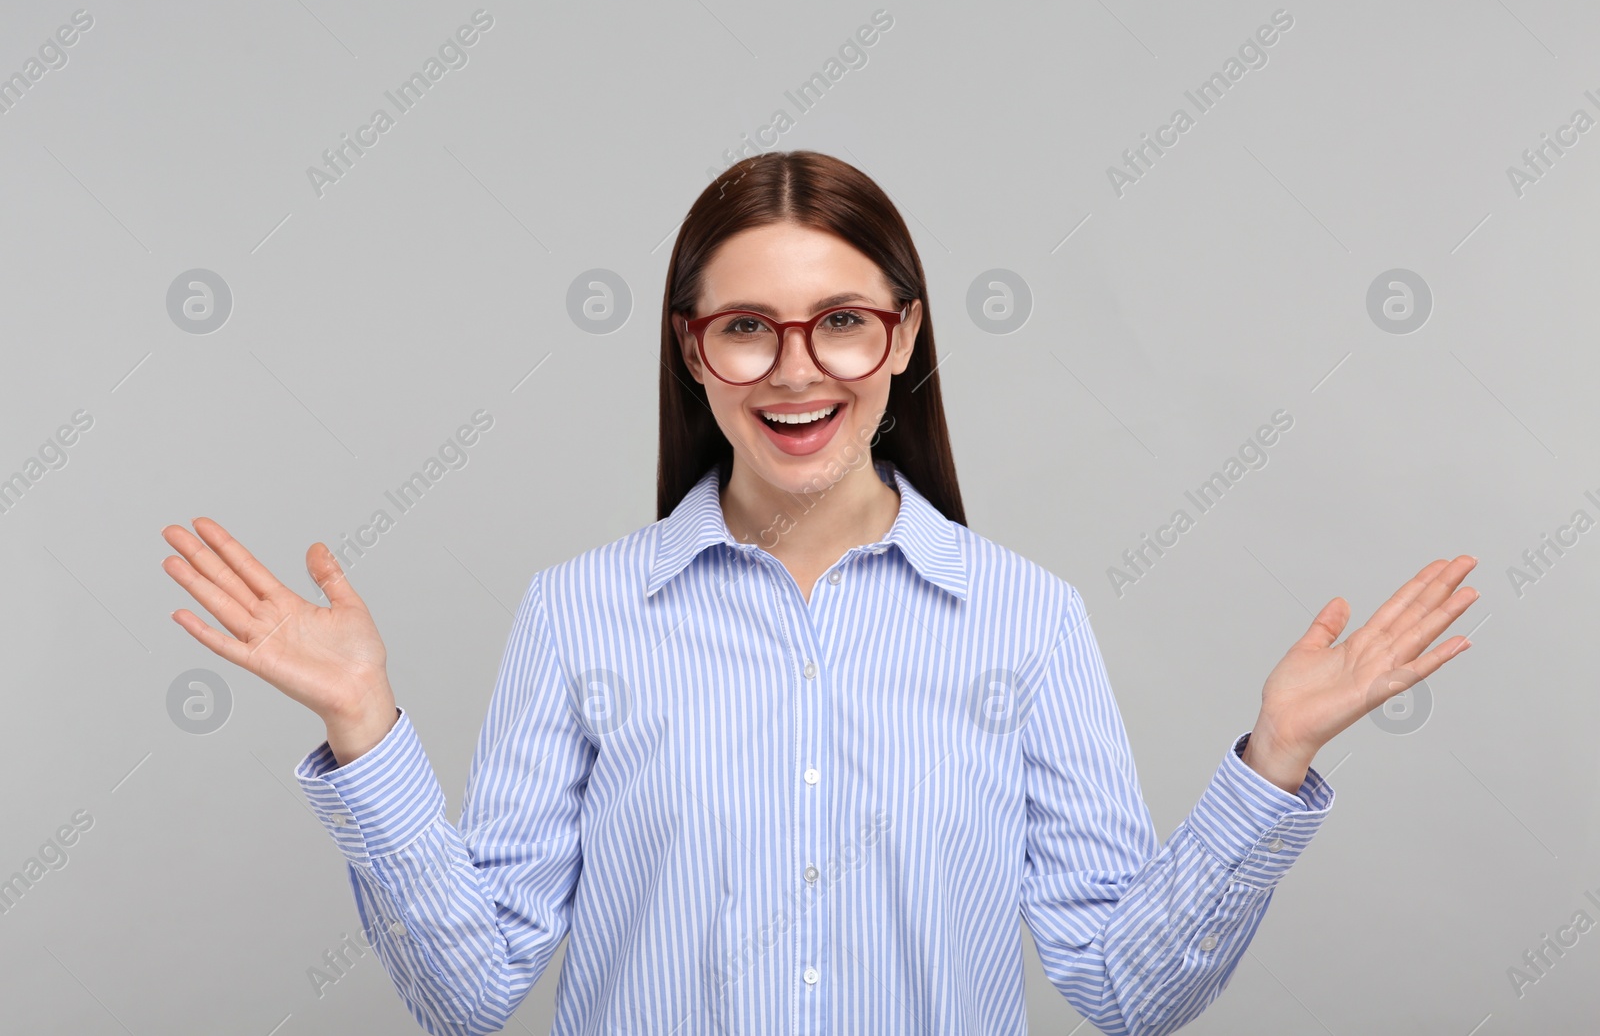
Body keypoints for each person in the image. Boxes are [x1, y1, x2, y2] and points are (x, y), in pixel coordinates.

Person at [159, 150, 1479, 1036]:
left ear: (901, 338)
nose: (799, 370)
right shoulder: (578, 616)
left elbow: (1127, 987)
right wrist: (366, 731)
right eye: (749, 326)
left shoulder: (1028, 620)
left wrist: (1274, 759)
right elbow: (469, 988)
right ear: (695, 348)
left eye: (843, 319)